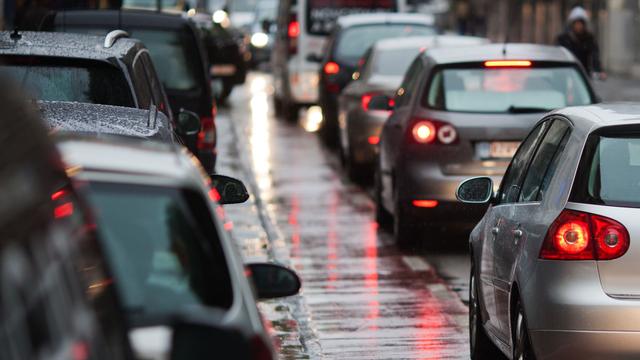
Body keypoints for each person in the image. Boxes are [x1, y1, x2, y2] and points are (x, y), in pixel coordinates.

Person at [556, 6, 607, 80]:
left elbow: (595, 56)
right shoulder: (563, 39)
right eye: (577, 23)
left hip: (584, 75)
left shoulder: (589, 39)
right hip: (566, 74)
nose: (579, 26)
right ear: (572, 24)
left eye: (581, 23)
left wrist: (599, 70)